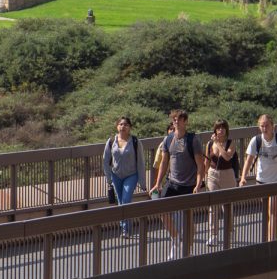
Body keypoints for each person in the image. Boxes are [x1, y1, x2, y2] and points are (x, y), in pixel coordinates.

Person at [149, 110, 204, 260]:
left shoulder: (193, 139)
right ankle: (175, 239)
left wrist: (198, 184)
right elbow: (164, 162)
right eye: (174, 119)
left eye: (179, 119)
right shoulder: (168, 140)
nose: (176, 121)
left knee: (188, 217)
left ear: (185, 121)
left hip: (188, 184)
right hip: (172, 182)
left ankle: (188, 250)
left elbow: (200, 164)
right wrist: (157, 183)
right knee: (161, 209)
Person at [240, 114, 277, 241]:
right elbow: (248, 160)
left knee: (273, 211)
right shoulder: (256, 140)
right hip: (262, 181)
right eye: (262, 126)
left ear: (273, 126)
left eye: (267, 125)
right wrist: (243, 177)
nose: (264, 128)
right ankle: (270, 237)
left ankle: (271, 240)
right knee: (267, 212)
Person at [102, 117, 146, 237]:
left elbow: (141, 162)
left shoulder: (135, 142)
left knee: (126, 200)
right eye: (121, 124)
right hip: (116, 175)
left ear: (130, 127)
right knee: (121, 202)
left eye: (126, 124)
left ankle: (126, 229)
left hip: (131, 175)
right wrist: (109, 178)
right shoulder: (111, 141)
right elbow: (106, 160)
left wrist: (142, 182)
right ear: (117, 127)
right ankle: (125, 228)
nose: (123, 126)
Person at [203, 119, 239, 246]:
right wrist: (205, 176)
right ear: (215, 130)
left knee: (227, 205)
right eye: (218, 128)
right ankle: (213, 235)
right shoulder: (209, 144)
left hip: (227, 174)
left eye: (223, 128)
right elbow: (207, 161)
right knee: (213, 206)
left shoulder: (230, 143)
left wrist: (218, 144)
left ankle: (230, 232)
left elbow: (227, 157)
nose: (220, 130)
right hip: (213, 174)